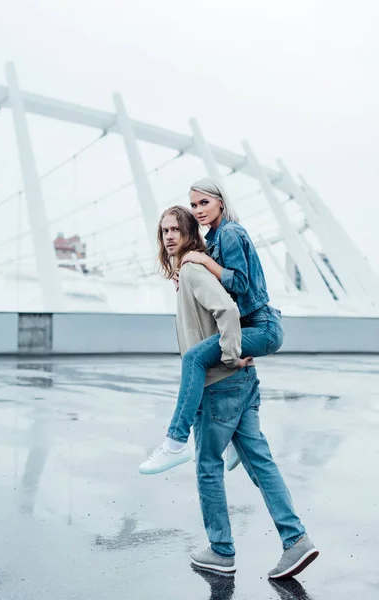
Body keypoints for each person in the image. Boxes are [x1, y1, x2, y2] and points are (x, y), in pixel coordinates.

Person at [140, 205, 319, 578]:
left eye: (175, 229)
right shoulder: (196, 268)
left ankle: (221, 550)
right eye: (163, 231)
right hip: (241, 383)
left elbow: (226, 310)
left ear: (190, 234)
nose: (168, 236)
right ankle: (296, 539)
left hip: (220, 382)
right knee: (261, 462)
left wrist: (232, 354)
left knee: (207, 466)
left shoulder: (193, 269)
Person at [140, 177, 283, 475]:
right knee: (215, 362)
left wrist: (200, 262)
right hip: (252, 325)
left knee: (195, 358)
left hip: (262, 325)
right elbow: (214, 279)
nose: (199, 210)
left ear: (221, 201)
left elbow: (239, 283)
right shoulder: (215, 239)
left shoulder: (230, 232)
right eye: (194, 205)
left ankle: (174, 443)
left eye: (204, 202)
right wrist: (188, 268)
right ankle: (234, 444)